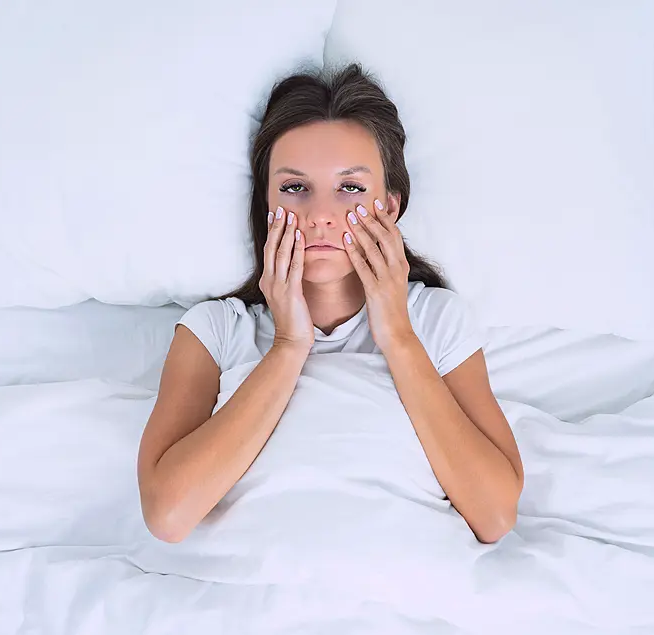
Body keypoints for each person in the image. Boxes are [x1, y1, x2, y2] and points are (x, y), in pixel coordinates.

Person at [136, 64, 523, 545]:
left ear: (390, 205)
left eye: (351, 188)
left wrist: (399, 338)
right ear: (265, 203)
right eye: (295, 188)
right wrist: (287, 346)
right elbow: (167, 514)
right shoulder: (214, 331)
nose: (319, 216)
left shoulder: (436, 321)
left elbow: (495, 515)